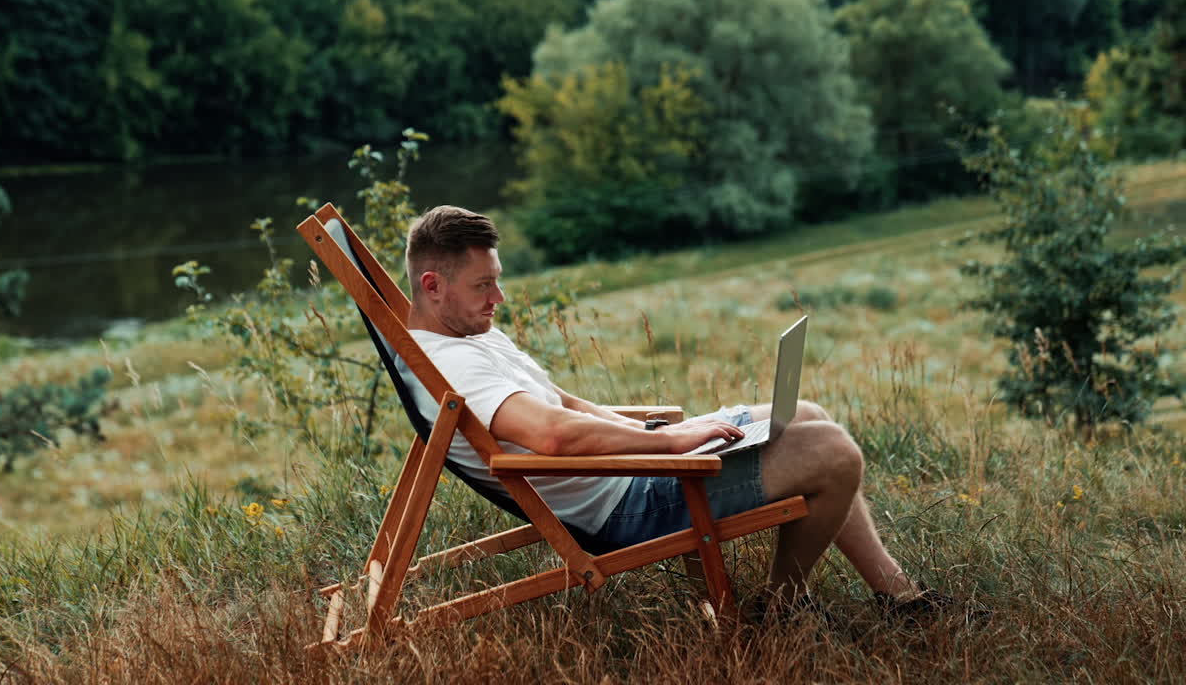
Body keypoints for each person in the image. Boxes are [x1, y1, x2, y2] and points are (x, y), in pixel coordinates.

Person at [399, 205, 951, 621]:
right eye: (484, 284)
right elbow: (552, 434)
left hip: (638, 470)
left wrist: (655, 429)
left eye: (496, 279)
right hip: (624, 505)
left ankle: (898, 596)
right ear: (433, 286)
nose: (499, 296)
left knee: (807, 412)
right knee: (833, 453)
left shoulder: (473, 336)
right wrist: (669, 446)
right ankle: (782, 610)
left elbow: (563, 402)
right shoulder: (455, 367)